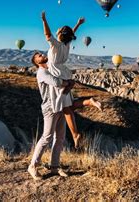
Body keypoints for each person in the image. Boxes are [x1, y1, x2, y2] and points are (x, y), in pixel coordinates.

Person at [28, 52, 102, 181]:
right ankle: (33, 166)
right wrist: (69, 83)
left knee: (60, 137)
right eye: (38, 56)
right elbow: (57, 82)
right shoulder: (41, 72)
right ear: (36, 62)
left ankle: (54, 166)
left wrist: (69, 82)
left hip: (61, 105)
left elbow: (65, 79)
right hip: (50, 108)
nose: (42, 54)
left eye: (41, 53)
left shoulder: (53, 69)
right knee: (47, 137)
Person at [41, 11, 101, 148]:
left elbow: (47, 35)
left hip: (57, 76)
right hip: (64, 73)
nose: (58, 30)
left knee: (65, 108)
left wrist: (44, 20)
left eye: (60, 30)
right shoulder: (66, 45)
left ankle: (75, 134)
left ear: (61, 34)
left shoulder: (56, 45)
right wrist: (78, 24)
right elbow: (70, 33)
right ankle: (88, 102)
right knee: (67, 106)